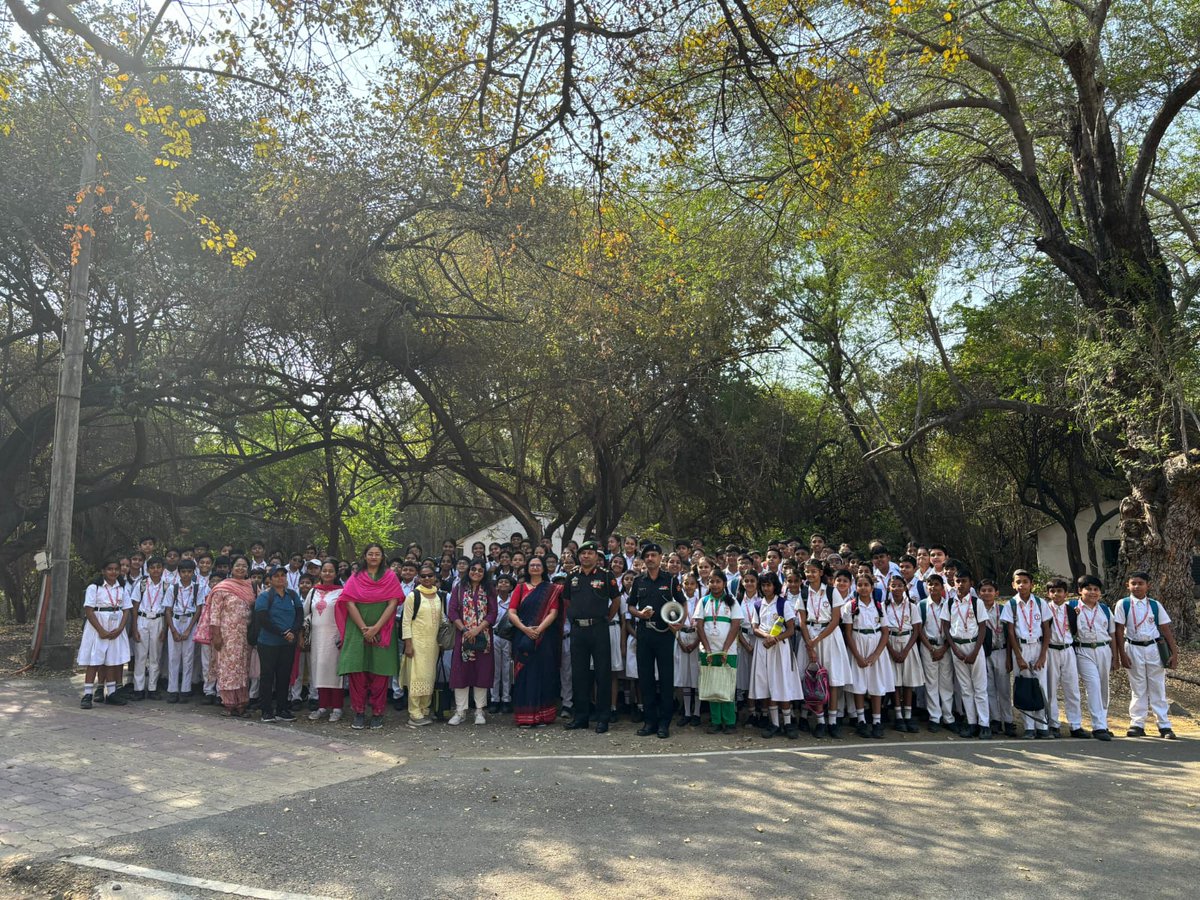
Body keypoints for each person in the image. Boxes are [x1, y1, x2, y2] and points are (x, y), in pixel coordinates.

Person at [338, 543, 402, 730]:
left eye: (377, 554)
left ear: (383, 557)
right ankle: (358, 712)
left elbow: (393, 604)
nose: (374, 557)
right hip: (357, 629)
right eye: (370, 554)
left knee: (379, 673)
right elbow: (348, 602)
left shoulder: (390, 577)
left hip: (383, 629)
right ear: (364, 556)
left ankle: (377, 713)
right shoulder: (356, 577)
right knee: (358, 672)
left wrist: (376, 629)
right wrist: (365, 629)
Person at [628, 542, 685, 739]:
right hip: (644, 634)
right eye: (647, 556)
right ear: (643, 559)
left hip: (664, 635)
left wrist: (680, 621)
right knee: (645, 678)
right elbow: (630, 607)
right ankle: (649, 721)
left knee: (666, 678)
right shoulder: (638, 581)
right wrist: (639, 614)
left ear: (661, 558)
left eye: (654, 555)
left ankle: (664, 723)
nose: (650, 558)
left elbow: (683, 602)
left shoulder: (670, 580)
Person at [563, 541, 620, 734]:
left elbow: (616, 600)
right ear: (579, 556)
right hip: (578, 630)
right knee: (579, 674)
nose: (586, 556)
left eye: (590, 553)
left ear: (597, 556)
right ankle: (581, 717)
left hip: (599, 629)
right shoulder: (572, 576)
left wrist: (606, 618)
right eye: (583, 553)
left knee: (602, 674)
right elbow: (567, 600)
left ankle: (603, 718)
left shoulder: (605, 575)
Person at [1114, 570, 1179, 739]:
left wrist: (1174, 652)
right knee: (1138, 687)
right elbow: (1119, 630)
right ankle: (1137, 723)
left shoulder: (1155, 605)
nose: (1136, 586)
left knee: (1157, 686)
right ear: (1127, 585)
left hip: (1153, 649)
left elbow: (1165, 629)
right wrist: (1122, 654)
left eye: (1140, 583)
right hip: (1133, 648)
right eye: (1133, 583)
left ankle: (1164, 725)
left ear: (1148, 586)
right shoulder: (1123, 604)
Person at [796, 560, 853, 738]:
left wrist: (817, 640)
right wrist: (809, 644)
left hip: (829, 636)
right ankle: (820, 720)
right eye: (807, 571)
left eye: (814, 571)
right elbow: (802, 621)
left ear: (820, 572)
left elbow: (836, 620)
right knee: (813, 678)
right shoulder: (803, 593)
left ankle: (833, 721)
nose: (810, 574)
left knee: (833, 679)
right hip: (809, 636)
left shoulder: (831, 590)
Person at [507, 556, 563, 727]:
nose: (535, 568)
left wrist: (538, 630)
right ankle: (525, 716)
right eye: (532, 565)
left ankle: (542, 716)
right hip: (523, 637)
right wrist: (525, 629)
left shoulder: (551, 589)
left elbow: (553, 613)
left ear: (544, 568)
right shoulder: (520, 588)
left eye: (539, 565)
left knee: (543, 674)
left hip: (543, 638)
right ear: (527, 568)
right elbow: (511, 612)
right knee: (523, 675)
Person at [1000, 569, 1053, 739]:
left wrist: (1043, 655)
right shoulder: (1011, 605)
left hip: (1037, 646)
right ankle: (1029, 726)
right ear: (1013, 585)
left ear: (1032, 584)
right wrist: (1018, 657)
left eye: (1025, 581)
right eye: (1018, 582)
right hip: (1021, 649)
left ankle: (1042, 725)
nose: (1022, 585)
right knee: (1024, 687)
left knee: (1040, 686)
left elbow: (1046, 629)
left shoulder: (1040, 603)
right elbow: (1010, 633)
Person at [750, 572, 802, 739]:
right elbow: (755, 627)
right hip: (764, 647)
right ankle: (774, 724)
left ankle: (787, 723)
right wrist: (767, 637)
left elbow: (791, 629)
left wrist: (776, 639)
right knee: (769, 685)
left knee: (782, 683)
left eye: (769, 585)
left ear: (775, 586)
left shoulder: (783, 604)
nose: (766, 588)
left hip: (780, 649)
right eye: (764, 585)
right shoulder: (758, 604)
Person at [843, 572, 893, 738]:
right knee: (858, 684)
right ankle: (861, 720)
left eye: (866, 585)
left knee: (876, 684)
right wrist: (857, 656)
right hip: (858, 644)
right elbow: (848, 633)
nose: (863, 588)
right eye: (860, 585)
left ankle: (877, 721)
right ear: (855, 587)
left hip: (875, 645)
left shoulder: (879, 606)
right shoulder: (850, 606)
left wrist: (876, 654)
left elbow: (885, 632)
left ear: (872, 587)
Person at [448, 559, 497, 726]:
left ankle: (479, 711)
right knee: (461, 673)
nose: (476, 572)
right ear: (468, 570)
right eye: (473, 569)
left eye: (480, 570)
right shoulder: (459, 588)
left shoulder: (489, 590)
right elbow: (452, 611)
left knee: (482, 673)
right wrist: (465, 630)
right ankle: (460, 711)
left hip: (484, 638)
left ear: (484, 574)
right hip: (463, 637)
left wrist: (477, 630)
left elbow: (493, 613)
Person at [77, 560, 131, 708]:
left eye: (116, 569)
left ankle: (112, 693)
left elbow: (126, 609)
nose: (113, 572)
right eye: (109, 569)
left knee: (112, 660)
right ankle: (87, 694)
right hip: (97, 625)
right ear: (103, 571)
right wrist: (101, 630)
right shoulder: (94, 588)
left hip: (115, 626)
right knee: (94, 660)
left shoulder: (122, 588)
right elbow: (89, 610)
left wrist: (120, 628)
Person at [253, 566, 304, 723]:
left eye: (283, 575)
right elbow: (263, 619)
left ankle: (283, 709)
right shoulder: (265, 596)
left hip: (288, 643)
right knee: (267, 676)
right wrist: (282, 633)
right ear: (270, 579)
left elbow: (299, 615)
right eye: (276, 576)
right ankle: (266, 710)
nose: (280, 578)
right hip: (268, 642)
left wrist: (292, 632)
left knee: (284, 676)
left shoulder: (292, 595)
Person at [208, 555, 256, 717]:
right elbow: (214, 614)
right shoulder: (222, 587)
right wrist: (216, 635)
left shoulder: (252, 587)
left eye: (244, 566)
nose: (241, 568)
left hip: (245, 637)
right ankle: (229, 704)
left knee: (242, 669)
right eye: (238, 565)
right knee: (228, 669)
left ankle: (242, 704)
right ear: (231, 568)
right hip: (226, 636)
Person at [944, 572, 990, 738]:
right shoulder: (949, 602)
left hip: (974, 646)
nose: (960, 584)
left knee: (980, 688)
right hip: (957, 647)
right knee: (965, 689)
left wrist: (976, 651)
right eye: (958, 581)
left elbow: (983, 627)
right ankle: (971, 723)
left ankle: (984, 724)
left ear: (971, 583)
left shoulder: (977, 603)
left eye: (964, 581)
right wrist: (954, 649)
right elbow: (946, 627)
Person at [697, 570, 743, 734]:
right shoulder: (703, 601)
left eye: (718, 581)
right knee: (712, 685)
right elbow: (699, 626)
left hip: (727, 651)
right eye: (711, 581)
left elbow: (736, 625)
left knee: (727, 685)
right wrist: (707, 648)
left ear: (724, 583)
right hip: (708, 651)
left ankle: (729, 721)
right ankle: (715, 721)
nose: (714, 584)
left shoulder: (732, 602)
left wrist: (725, 649)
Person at [1072, 575, 1115, 741]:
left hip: (1104, 649)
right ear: (1080, 591)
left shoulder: (1104, 609)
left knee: (1104, 687)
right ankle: (1098, 726)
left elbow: (1112, 633)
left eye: (1096, 589)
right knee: (1093, 685)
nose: (1092, 592)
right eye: (1088, 589)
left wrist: (1116, 656)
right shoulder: (1072, 607)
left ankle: (1103, 722)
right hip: (1083, 650)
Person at [402, 563, 445, 727]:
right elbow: (406, 622)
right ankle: (414, 713)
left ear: (435, 577)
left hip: (432, 644)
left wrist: (441, 641)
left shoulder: (439, 596)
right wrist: (408, 644)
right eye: (423, 576)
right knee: (416, 677)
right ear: (419, 578)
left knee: (429, 677)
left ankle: (425, 710)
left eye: (430, 576)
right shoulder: (414, 596)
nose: (427, 579)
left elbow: (441, 621)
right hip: (416, 643)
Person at [1044, 577, 1086, 738]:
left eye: (1059, 591)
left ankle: (1075, 725)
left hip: (1068, 650)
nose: (1056, 594)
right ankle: (1053, 724)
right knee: (1051, 689)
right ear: (1048, 594)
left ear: (1066, 594)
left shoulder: (1071, 610)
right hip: (1051, 651)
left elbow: (1074, 630)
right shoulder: (1045, 609)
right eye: (1052, 591)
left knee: (1072, 688)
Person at [305, 560, 345, 722]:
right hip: (316, 637)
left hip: (334, 637)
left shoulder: (341, 592)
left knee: (334, 671)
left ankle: (337, 707)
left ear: (336, 574)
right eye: (325, 571)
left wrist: (343, 635)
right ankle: (322, 706)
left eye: (331, 571)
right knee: (319, 669)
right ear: (320, 573)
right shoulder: (314, 591)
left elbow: (346, 614)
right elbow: (306, 612)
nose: (327, 573)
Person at [916, 573, 954, 733]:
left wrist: (944, 648)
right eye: (930, 585)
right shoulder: (922, 605)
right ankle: (934, 717)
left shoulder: (950, 605)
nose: (933, 588)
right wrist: (932, 649)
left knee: (946, 683)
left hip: (945, 647)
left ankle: (948, 717)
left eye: (936, 584)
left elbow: (952, 628)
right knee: (931, 684)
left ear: (942, 586)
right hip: (928, 647)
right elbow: (919, 630)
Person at [885, 574, 921, 733]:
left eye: (900, 585)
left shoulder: (912, 606)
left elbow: (917, 630)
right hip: (890, 642)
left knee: (908, 682)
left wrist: (906, 650)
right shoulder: (884, 606)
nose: (897, 589)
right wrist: (892, 650)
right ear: (889, 588)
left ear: (905, 587)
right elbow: (883, 630)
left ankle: (908, 715)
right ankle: (898, 716)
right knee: (895, 682)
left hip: (908, 643)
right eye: (894, 586)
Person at [979, 579, 1015, 736]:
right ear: (979, 593)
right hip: (985, 652)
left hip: (1001, 651)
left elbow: (1009, 634)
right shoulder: (977, 610)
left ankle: (1008, 721)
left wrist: (1009, 657)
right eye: (983, 590)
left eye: (990, 590)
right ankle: (995, 719)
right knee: (989, 688)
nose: (987, 593)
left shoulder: (1003, 609)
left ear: (996, 593)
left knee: (1004, 689)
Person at [132, 556, 168, 700]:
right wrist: (134, 628)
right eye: (152, 567)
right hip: (142, 619)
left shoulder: (167, 586)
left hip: (158, 620)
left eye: (159, 567)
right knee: (140, 656)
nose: (156, 570)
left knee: (155, 656)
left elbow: (167, 610)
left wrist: (164, 630)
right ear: (147, 569)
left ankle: (152, 688)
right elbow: (134, 607)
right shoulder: (141, 584)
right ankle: (138, 688)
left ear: (163, 569)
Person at [164, 559, 200, 703]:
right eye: (183, 572)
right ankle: (172, 690)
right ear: (179, 573)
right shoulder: (172, 588)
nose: (186, 575)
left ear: (193, 573)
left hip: (190, 622)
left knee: (188, 657)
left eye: (189, 572)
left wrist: (188, 630)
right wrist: (173, 630)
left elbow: (198, 610)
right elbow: (167, 610)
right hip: (175, 621)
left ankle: (186, 689)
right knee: (173, 657)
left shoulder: (197, 588)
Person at [673, 572, 702, 727]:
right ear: (681, 585)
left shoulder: (701, 601)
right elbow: (671, 622)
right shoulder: (677, 601)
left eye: (691, 583)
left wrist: (696, 642)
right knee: (684, 677)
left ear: (696, 585)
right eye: (686, 583)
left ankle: (697, 712)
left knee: (696, 676)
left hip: (697, 638)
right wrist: (679, 641)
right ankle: (686, 712)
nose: (689, 586)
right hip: (681, 637)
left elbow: (703, 625)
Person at [489, 573, 515, 714]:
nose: (503, 584)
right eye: (501, 582)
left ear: (511, 586)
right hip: (494, 636)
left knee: (507, 669)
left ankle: (506, 698)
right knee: (495, 668)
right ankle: (494, 699)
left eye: (506, 582)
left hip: (508, 637)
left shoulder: (514, 602)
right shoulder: (492, 601)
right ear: (496, 585)